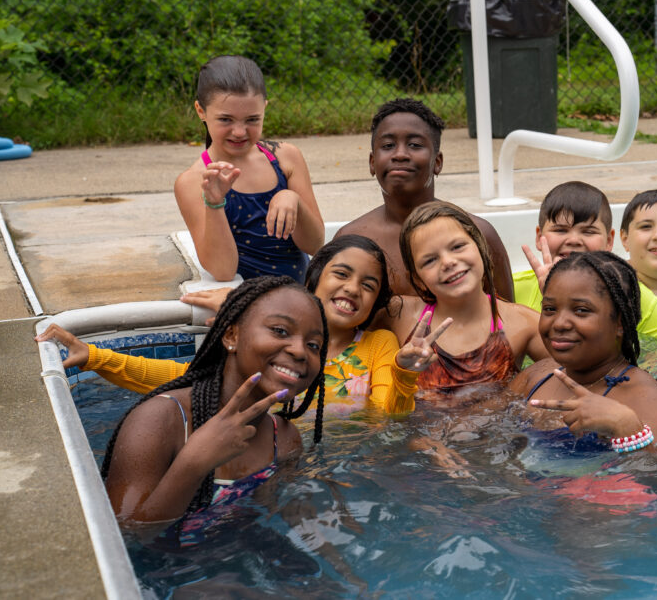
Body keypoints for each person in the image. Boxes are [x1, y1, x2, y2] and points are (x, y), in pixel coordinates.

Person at [38, 236, 423, 415]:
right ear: (315, 279)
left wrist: (404, 374)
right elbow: (185, 378)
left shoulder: (378, 345)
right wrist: (96, 358)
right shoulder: (273, 344)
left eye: (368, 285)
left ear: (375, 302)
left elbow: (386, 417)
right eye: (341, 274)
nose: (353, 288)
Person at [100, 276, 326, 526]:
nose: (299, 351)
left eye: (314, 345)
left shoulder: (283, 439)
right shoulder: (160, 421)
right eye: (280, 331)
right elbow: (124, 535)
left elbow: (278, 516)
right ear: (231, 336)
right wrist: (194, 463)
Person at [334, 98, 513, 300]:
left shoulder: (477, 234)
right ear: (372, 163)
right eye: (388, 145)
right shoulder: (350, 239)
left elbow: (506, 318)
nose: (400, 154)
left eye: (414, 145)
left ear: (437, 162)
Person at [511, 251, 657, 450]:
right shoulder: (535, 376)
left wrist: (626, 427)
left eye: (581, 310)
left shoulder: (651, 405)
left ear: (620, 323)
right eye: (550, 309)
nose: (559, 323)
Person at [174, 55, 324, 282]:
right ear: (201, 111)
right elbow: (223, 271)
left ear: (264, 108)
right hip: (246, 305)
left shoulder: (286, 158)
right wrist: (214, 204)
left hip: (302, 298)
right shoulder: (193, 181)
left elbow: (315, 245)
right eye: (226, 120)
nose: (239, 132)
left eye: (252, 120)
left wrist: (293, 199)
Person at [389, 200, 548, 396]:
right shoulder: (400, 315)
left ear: (481, 248)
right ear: (418, 280)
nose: (448, 262)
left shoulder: (521, 324)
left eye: (457, 247)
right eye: (430, 260)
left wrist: (559, 299)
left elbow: (585, 367)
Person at [514, 181, 657, 352]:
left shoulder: (634, 297)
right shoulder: (514, 289)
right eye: (560, 230)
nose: (574, 240)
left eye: (588, 231)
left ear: (609, 240)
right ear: (539, 237)